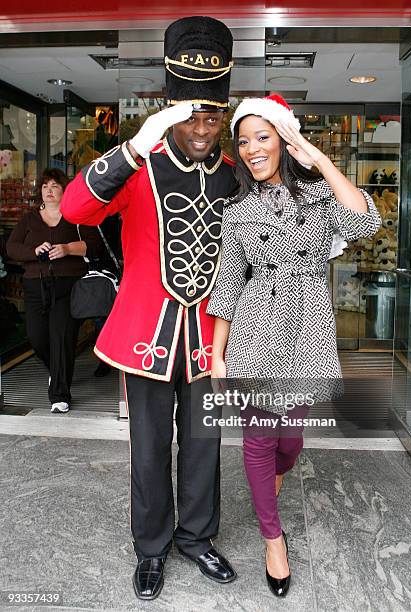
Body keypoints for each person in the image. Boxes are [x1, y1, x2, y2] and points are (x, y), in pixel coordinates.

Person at [61, 17, 237, 601]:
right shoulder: (135, 166)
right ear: (167, 110)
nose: (202, 128)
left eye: (212, 115)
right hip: (147, 336)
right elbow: (75, 208)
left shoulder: (235, 180)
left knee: (205, 445)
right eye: (189, 113)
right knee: (149, 448)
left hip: (211, 339)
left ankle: (197, 537)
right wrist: (133, 146)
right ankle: (152, 547)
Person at [207, 94, 382, 597]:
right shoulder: (238, 210)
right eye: (243, 142)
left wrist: (319, 158)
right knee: (260, 440)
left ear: (284, 140)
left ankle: (279, 474)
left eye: (263, 137)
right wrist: (217, 355)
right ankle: (272, 538)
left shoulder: (319, 200)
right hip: (254, 339)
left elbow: (365, 221)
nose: (251, 149)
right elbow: (227, 285)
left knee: (291, 441)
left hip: (308, 338)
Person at [6, 168, 102, 413]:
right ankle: (56, 371)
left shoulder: (76, 216)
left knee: (61, 337)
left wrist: (68, 249)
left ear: (64, 190)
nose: (49, 190)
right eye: (45, 186)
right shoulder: (29, 219)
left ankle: (60, 395)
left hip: (67, 286)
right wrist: (34, 251)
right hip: (35, 286)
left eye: (54, 186)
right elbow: (11, 248)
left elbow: (94, 246)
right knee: (37, 338)